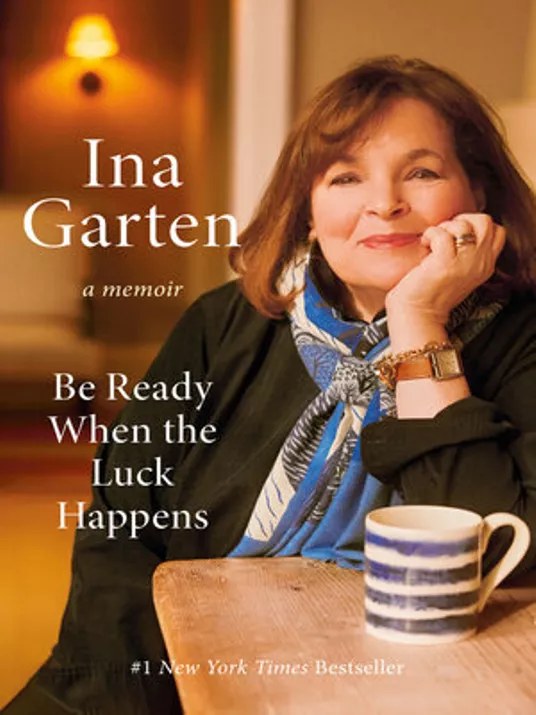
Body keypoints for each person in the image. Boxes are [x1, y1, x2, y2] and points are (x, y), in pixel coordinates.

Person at [4, 55, 536, 715]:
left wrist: (418, 322)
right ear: (309, 212)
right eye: (345, 176)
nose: (384, 202)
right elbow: (121, 527)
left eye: (422, 171)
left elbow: (504, 552)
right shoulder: (219, 325)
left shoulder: (524, 340)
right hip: (150, 684)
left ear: (478, 196)